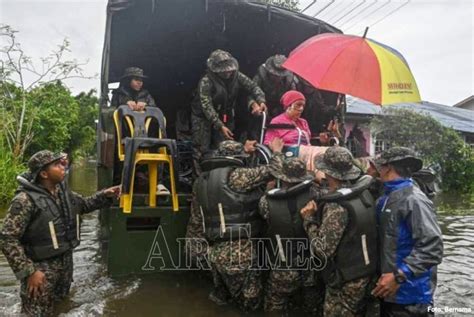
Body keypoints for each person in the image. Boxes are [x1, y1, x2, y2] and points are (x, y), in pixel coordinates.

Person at [0, 150, 120, 316]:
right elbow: (7, 238)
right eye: (56, 165)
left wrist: (105, 195)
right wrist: (29, 272)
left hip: (64, 264)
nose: (63, 166)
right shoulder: (24, 200)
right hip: (40, 270)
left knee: (60, 308)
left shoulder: (62, 193)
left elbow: (83, 205)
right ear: (44, 173)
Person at [197, 138, 284, 311]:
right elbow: (276, 169)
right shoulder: (236, 176)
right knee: (250, 305)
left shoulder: (202, 181)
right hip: (238, 252)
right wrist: (276, 151)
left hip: (214, 251)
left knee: (222, 301)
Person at [300, 146, 378, 316]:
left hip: (347, 279)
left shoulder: (336, 205)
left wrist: (308, 220)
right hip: (367, 273)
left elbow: (322, 250)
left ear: (327, 172)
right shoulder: (364, 193)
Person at [372, 147, 443, 317]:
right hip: (388, 291)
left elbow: (433, 248)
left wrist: (398, 276)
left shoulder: (414, 200)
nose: (377, 170)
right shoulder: (385, 197)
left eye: (379, 166)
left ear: (387, 167)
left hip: (412, 295)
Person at [258, 158, 324, 313]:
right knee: (312, 308)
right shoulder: (317, 195)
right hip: (310, 266)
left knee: (275, 306)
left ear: (282, 178)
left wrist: (268, 189)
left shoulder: (266, 201)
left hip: (282, 267)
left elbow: (264, 218)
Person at [191, 49, 266, 175]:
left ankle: (223, 177)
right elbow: (206, 106)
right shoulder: (206, 81)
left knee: (225, 147)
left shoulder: (237, 76)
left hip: (225, 115)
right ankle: (200, 180)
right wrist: (220, 125)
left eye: (229, 70)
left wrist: (261, 100)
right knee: (201, 149)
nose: (227, 73)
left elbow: (253, 87)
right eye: (224, 71)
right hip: (203, 118)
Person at [251, 54, 297, 119]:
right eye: (274, 75)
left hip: (280, 111)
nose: (277, 78)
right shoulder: (261, 77)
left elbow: (294, 98)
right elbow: (251, 91)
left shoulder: (289, 81)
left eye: (280, 76)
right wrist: (254, 104)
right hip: (261, 108)